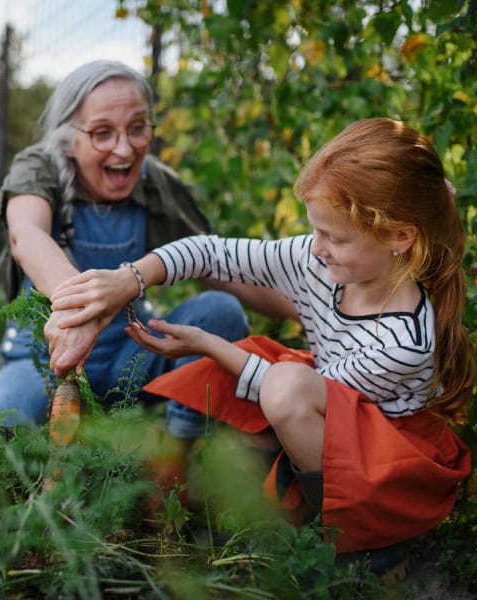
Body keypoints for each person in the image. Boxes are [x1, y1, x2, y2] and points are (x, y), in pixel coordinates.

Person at [49, 117, 474, 571]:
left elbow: (289, 392)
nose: (316, 248)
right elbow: (210, 252)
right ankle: (268, 499)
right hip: (332, 416)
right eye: (316, 230)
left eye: (335, 238)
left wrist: (208, 343)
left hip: (387, 470)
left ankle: (352, 539)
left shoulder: (405, 341)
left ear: (400, 237)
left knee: (279, 384)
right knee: (262, 381)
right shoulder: (319, 260)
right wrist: (129, 280)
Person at [0, 59, 294, 452]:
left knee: (219, 310)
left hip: (130, 359)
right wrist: (80, 309)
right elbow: (27, 236)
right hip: (45, 363)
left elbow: (218, 267)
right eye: (103, 133)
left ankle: (176, 454)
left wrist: (312, 310)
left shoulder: (156, 185)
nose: (125, 148)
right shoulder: (40, 166)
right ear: (68, 138)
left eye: (138, 128)